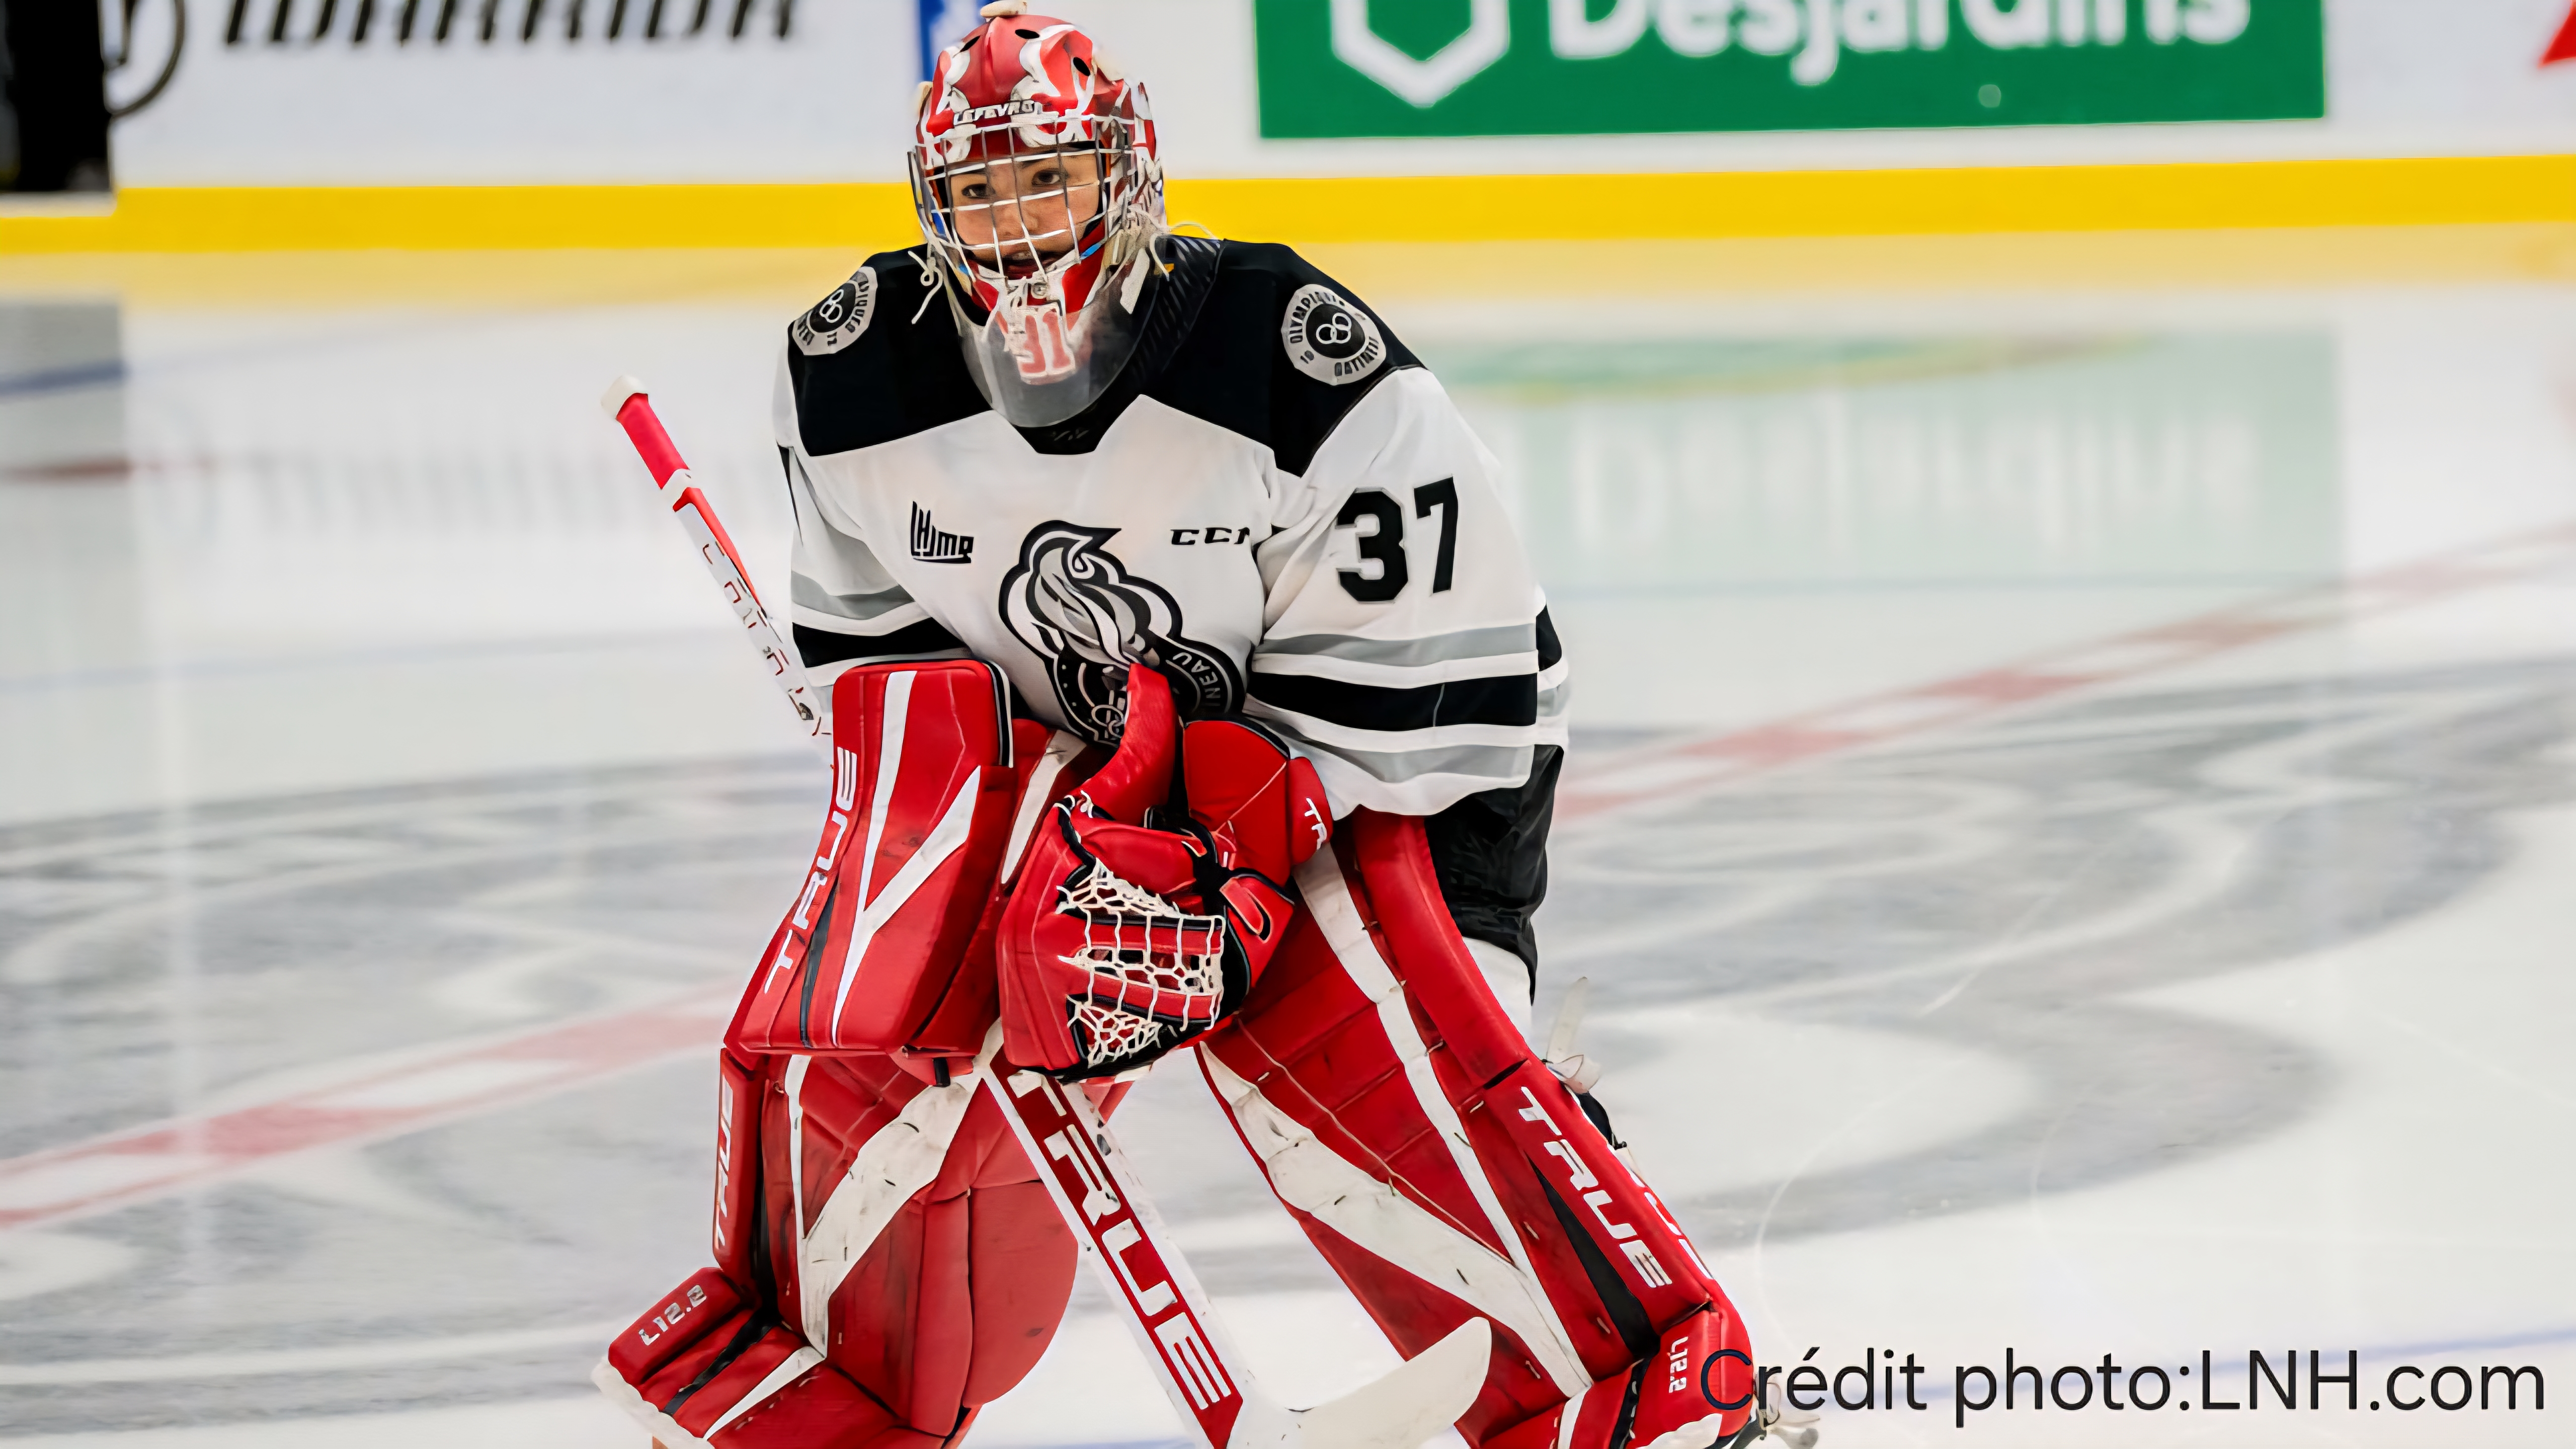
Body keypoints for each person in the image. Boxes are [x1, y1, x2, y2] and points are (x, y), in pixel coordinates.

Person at [596, 8, 1793, 1449]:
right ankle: (830, 1374)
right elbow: (911, 724)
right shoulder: (853, 381)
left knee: (1368, 1035)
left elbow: (1416, 691)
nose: (1020, 228)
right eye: (982, 195)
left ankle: (1618, 1365)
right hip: (1087, 782)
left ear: (1128, 178)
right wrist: (1055, 866)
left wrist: (1212, 893)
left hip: (1387, 758)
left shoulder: (1298, 365)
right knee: (872, 1006)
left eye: (1052, 182)